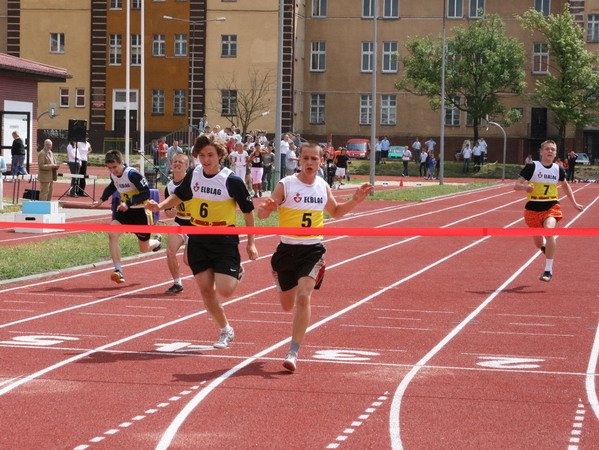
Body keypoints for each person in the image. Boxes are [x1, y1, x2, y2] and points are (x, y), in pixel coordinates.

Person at [258, 142, 373, 372]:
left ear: (322, 161)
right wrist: (269, 208)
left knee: (303, 297)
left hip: (312, 250)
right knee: (286, 304)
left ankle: (293, 351)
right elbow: (261, 214)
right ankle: (280, 279)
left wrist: (355, 201)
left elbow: (336, 212)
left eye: (314, 159)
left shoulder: (322, 186)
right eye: (306, 158)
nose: (310, 163)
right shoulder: (286, 185)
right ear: (298, 160)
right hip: (286, 250)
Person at [146, 134, 258, 349]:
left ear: (220, 156)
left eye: (211, 155)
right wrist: (160, 206)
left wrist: (250, 242)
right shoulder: (195, 174)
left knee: (225, 290)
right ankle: (225, 330)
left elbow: (248, 212)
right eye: (202, 156)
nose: (206, 160)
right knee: (206, 291)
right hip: (197, 235)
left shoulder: (231, 180)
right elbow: (180, 195)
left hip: (223, 237)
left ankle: (235, 271)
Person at [514, 140, 583, 282]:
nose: (550, 151)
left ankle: (548, 270)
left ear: (556, 153)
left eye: (553, 149)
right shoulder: (533, 166)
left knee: (549, 230)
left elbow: (565, 186)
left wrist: (574, 203)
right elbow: (516, 185)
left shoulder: (558, 169)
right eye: (547, 149)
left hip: (551, 205)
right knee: (539, 243)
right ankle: (546, 249)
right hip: (533, 207)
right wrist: (525, 188)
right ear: (541, 151)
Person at [91, 150, 162, 284]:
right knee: (112, 234)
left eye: (115, 167)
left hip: (140, 213)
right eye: (110, 168)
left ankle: (157, 242)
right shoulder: (113, 175)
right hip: (124, 212)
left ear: (122, 163)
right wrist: (101, 200)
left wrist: (129, 202)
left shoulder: (132, 174)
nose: (113, 171)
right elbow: (112, 186)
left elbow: (146, 193)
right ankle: (118, 270)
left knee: (143, 249)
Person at [161, 152, 193, 294]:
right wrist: (170, 213)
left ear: (187, 166)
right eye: (175, 162)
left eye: (181, 162)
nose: (177, 164)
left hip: (195, 224)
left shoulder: (193, 182)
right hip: (179, 222)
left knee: (188, 260)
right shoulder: (169, 187)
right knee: (170, 251)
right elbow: (167, 211)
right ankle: (177, 283)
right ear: (171, 165)